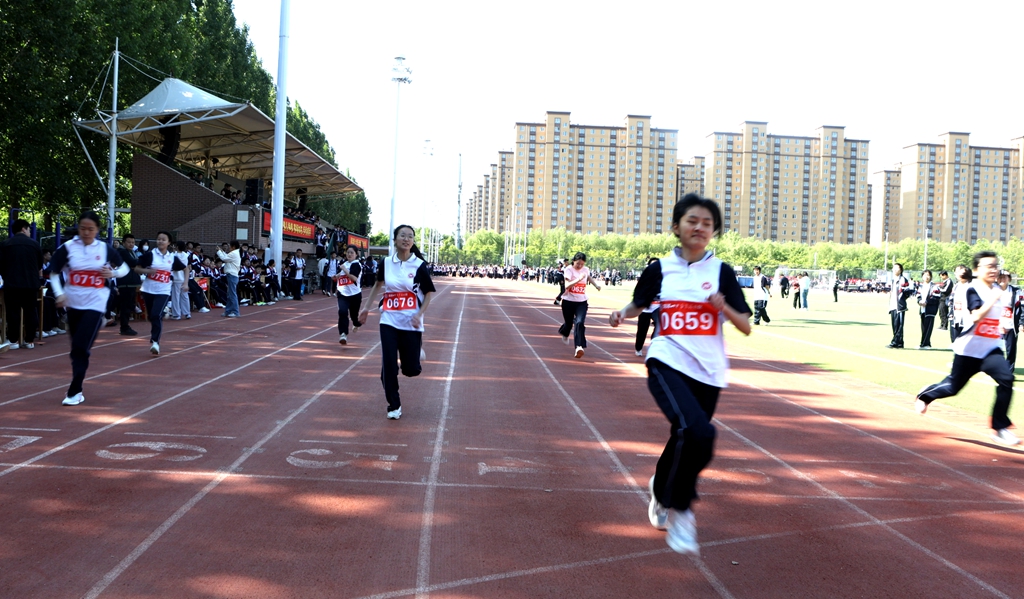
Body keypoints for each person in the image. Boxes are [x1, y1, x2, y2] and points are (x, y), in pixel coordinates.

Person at [609, 193, 752, 555]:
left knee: (686, 437)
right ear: (676, 227)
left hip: (708, 370)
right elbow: (640, 302)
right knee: (697, 431)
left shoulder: (721, 272)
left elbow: (745, 325)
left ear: (714, 231)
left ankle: (661, 490)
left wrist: (723, 307)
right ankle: (683, 510)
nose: (699, 227)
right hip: (667, 358)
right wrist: (622, 313)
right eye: (692, 221)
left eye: (707, 223)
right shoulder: (660, 269)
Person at [916, 251, 1018, 446]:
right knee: (953, 387)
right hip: (969, 350)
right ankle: (925, 395)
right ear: (977, 270)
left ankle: (999, 427)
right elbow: (976, 316)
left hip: (991, 349)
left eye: (995, 266)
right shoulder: (973, 289)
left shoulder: (998, 289)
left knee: (1006, 378)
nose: (994, 270)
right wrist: (993, 298)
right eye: (989, 266)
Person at [48, 212, 129, 405]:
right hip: (73, 303)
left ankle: (74, 391)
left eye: (91, 229)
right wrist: (59, 293)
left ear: (97, 230)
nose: (86, 232)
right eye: (83, 228)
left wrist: (112, 273)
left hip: (96, 302)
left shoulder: (104, 248)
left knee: (81, 347)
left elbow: (125, 268)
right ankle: (77, 385)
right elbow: (53, 273)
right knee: (77, 347)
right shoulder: (67, 248)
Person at [358, 225, 436, 420]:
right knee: (389, 364)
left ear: (413, 241)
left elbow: (428, 294)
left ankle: (414, 353)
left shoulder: (419, 265)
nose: (406, 239)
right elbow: (378, 285)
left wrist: (419, 314)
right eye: (403, 235)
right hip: (389, 320)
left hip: (411, 321)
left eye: (410, 236)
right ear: (395, 240)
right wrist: (366, 308)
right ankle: (394, 405)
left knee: (411, 370)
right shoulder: (386, 262)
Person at [136, 231, 188, 355]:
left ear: (169, 242)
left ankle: (155, 342)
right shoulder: (150, 255)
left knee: (155, 314)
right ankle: (162, 314)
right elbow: (136, 268)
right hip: (148, 289)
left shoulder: (172, 257)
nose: (160, 241)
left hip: (164, 290)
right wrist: (148, 271)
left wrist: (185, 283)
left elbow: (186, 268)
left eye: (163, 239)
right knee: (152, 316)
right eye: (159, 239)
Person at [0, 218, 43, 348]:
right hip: (30, 284)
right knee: (31, 312)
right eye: (29, 229)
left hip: (12, 283)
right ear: (24, 229)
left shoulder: (5, 244)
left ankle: (13, 340)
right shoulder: (35, 244)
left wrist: (6, 276)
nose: (29, 232)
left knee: (13, 312)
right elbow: (39, 264)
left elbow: (1, 265)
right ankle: (29, 340)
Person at [558, 252, 602, 359]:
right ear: (573, 261)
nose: (580, 266)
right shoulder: (568, 270)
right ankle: (565, 332)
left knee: (579, 322)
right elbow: (567, 286)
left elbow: (588, 277)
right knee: (569, 323)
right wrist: (578, 279)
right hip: (568, 301)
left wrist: (596, 285)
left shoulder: (585, 270)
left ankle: (579, 346)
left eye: (582, 264)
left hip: (581, 302)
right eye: (578, 263)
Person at [335, 245, 363, 345]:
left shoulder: (356, 264)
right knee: (342, 312)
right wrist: (336, 276)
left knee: (354, 316)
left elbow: (353, 278)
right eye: (348, 252)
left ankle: (356, 323)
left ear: (356, 254)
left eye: (352, 252)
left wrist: (344, 270)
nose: (349, 254)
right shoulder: (344, 264)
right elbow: (339, 276)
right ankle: (343, 334)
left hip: (355, 294)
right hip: (343, 293)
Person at [115, 234, 141, 336]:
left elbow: (135, 263)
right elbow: (132, 262)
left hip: (131, 283)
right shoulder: (122, 252)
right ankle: (124, 327)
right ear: (124, 243)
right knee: (126, 305)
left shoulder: (132, 252)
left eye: (133, 242)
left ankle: (125, 325)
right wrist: (141, 262)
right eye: (129, 242)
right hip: (125, 283)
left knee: (130, 305)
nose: (131, 244)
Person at [635, 257, 660, 356]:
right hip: (645, 308)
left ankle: (653, 344)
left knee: (659, 324)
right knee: (642, 330)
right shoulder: (645, 278)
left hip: (657, 307)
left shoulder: (664, 279)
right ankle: (638, 348)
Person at [997, 270, 1020, 373]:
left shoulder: (1016, 291)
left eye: (1004, 277)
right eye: (1000, 277)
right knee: (995, 349)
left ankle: (1009, 370)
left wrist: (1021, 323)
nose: (1002, 279)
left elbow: (1021, 308)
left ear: (1009, 279)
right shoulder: (992, 290)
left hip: (1011, 325)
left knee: (1010, 349)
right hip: (996, 325)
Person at [887, 263, 913, 349]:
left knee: (899, 325)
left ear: (901, 270)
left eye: (897, 268)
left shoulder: (903, 280)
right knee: (895, 325)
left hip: (899, 306)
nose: (895, 269)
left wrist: (901, 299)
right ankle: (899, 342)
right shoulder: (893, 280)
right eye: (894, 268)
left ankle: (895, 342)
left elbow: (908, 292)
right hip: (893, 305)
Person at [916, 269, 941, 349]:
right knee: (923, 327)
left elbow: (936, 298)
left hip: (930, 310)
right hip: (922, 309)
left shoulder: (934, 286)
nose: (926, 277)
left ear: (931, 277)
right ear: (922, 276)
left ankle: (925, 344)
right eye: (925, 275)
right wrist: (919, 301)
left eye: (928, 275)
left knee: (928, 328)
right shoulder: (921, 286)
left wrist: (927, 302)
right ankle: (924, 343)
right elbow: (918, 296)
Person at [216, 241, 241, 317]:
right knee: (230, 294)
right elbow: (226, 256)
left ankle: (235, 312)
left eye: (230, 246)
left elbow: (224, 258)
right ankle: (228, 311)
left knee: (232, 294)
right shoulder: (234, 253)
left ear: (233, 247)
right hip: (232, 275)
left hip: (232, 275)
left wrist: (219, 251)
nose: (229, 247)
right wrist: (221, 251)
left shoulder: (234, 253)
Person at [169, 240, 191, 320]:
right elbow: (188, 266)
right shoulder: (186, 255)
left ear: (177, 247)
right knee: (185, 296)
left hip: (176, 278)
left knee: (175, 297)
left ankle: (176, 314)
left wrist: (173, 250)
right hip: (184, 278)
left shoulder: (173, 255)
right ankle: (187, 313)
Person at [949, 265, 972, 343]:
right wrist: (951, 313)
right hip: (956, 317)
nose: (960, 275)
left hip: (967, 318)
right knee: (955, 342)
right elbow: (951, 300)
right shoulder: (956, 286)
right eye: (958, 273)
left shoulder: (971, 286)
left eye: (963, 273)